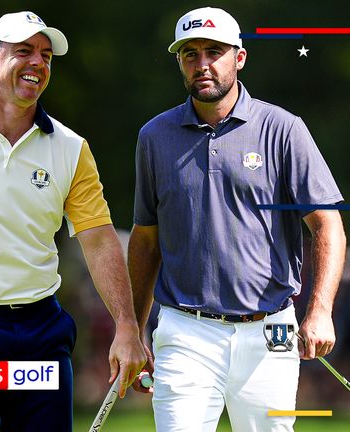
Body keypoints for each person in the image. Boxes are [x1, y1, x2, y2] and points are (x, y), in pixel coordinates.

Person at [0, 11, 146, 431]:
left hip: (41, 334)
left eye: (47, 55)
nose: (38, 62)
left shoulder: (71, 148)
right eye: (24, 51)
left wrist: (127, 327)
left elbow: (100, 240)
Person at [128, 6, 346, 432]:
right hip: (184, 331)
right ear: (179, 62)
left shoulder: (283, 129)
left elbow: (328, 224)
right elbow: (146, 240)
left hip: (270, 332)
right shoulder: (154, 136)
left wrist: (320, 310)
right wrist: (134, 331)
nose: (202, 64)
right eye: (190, 54)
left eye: (214, 51)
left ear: (239, 58)